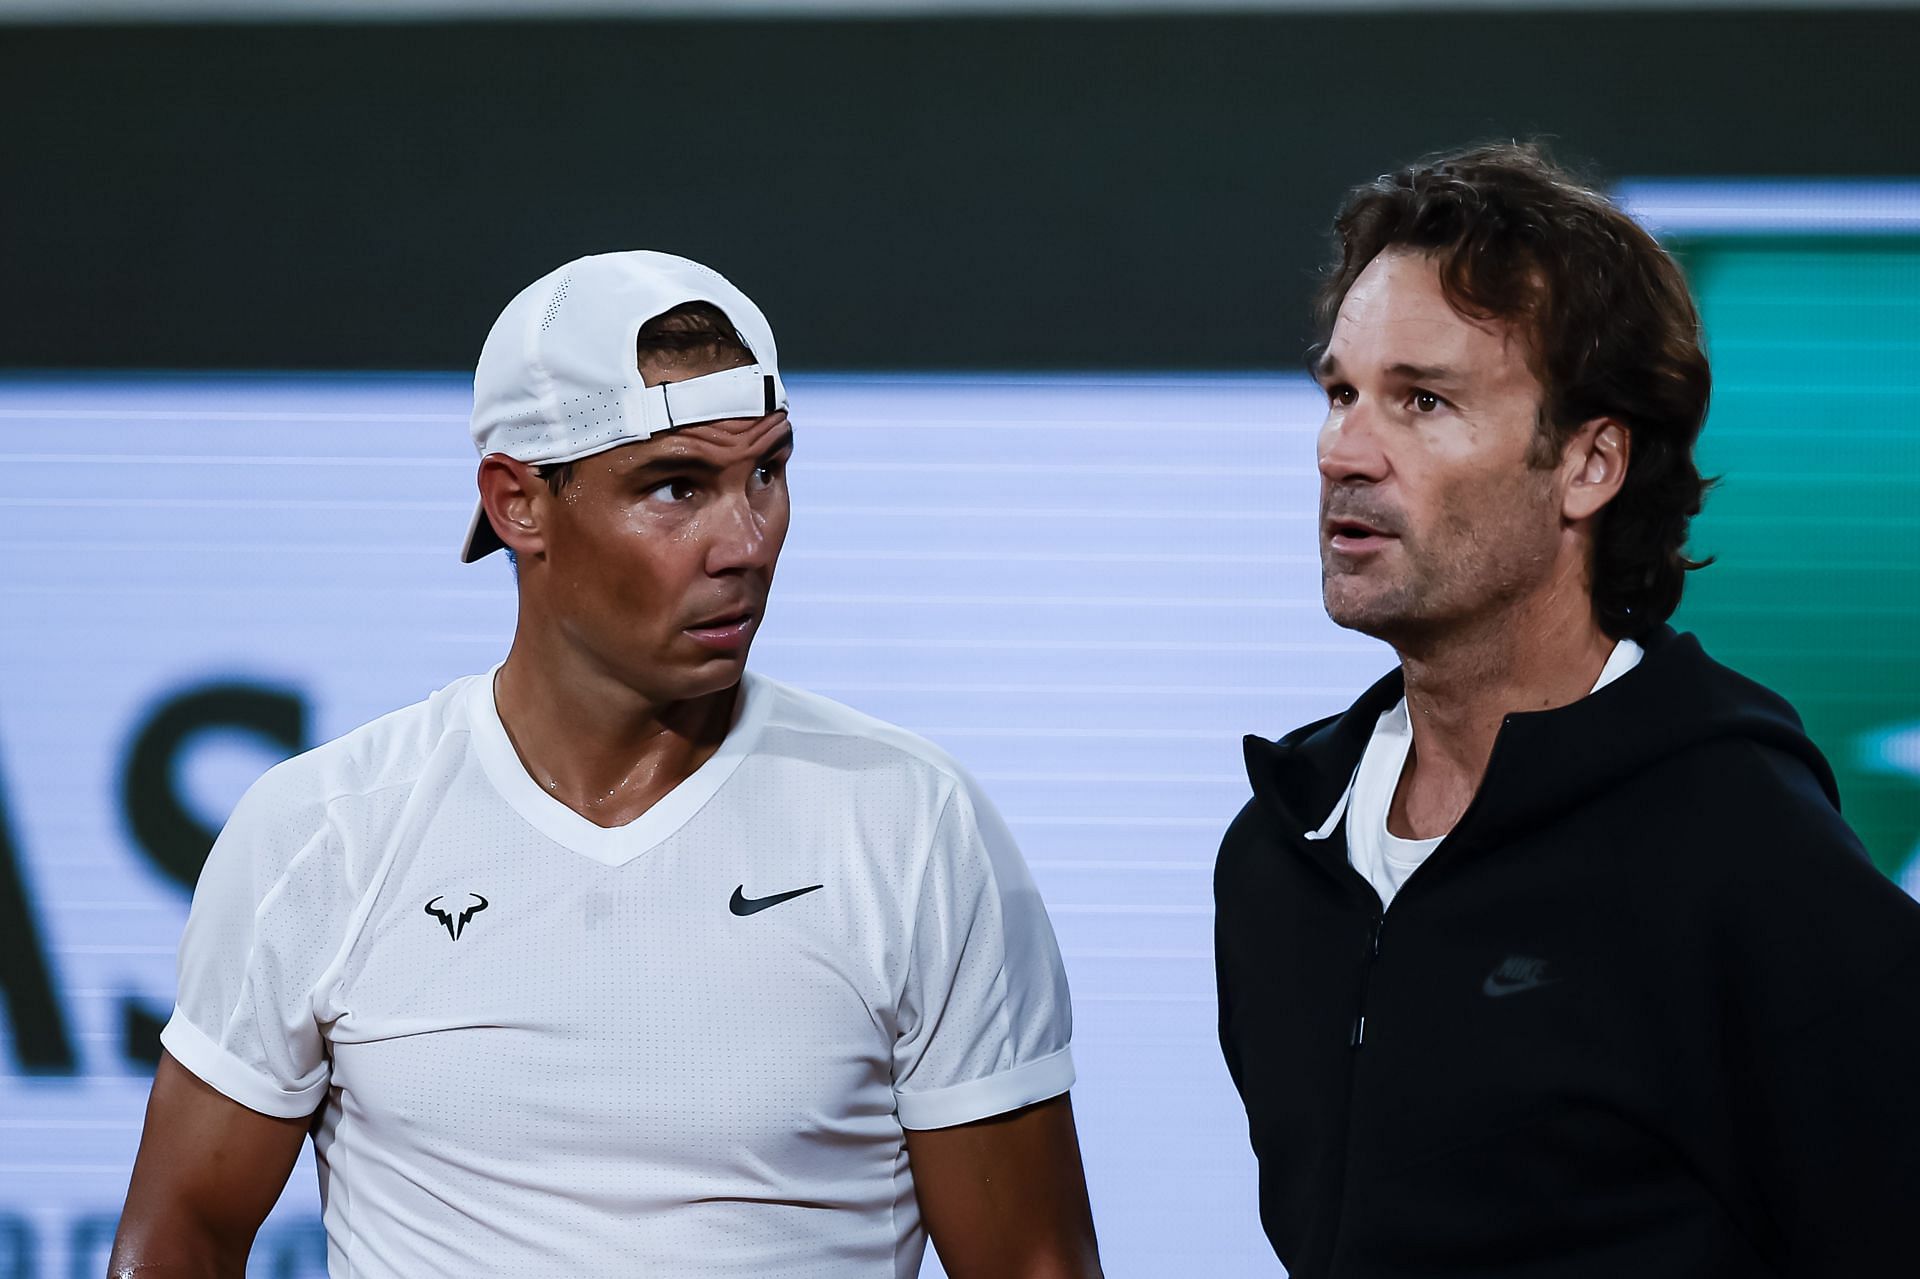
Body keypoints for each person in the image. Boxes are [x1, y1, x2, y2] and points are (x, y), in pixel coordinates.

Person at [109, 251, 1102, 1278]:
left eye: (768, 470)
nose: (747, 542)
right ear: (518, 504)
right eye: (676, 487)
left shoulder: (911, 825)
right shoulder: (324, 829)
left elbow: (1033, 1261)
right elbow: (179, 1237)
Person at [1214, 143, 1920, 1277]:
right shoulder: (1277, 855)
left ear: (1589, 465)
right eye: (1341, 391)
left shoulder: (1747, 848)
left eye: (1424, 400)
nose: (1343, 450)